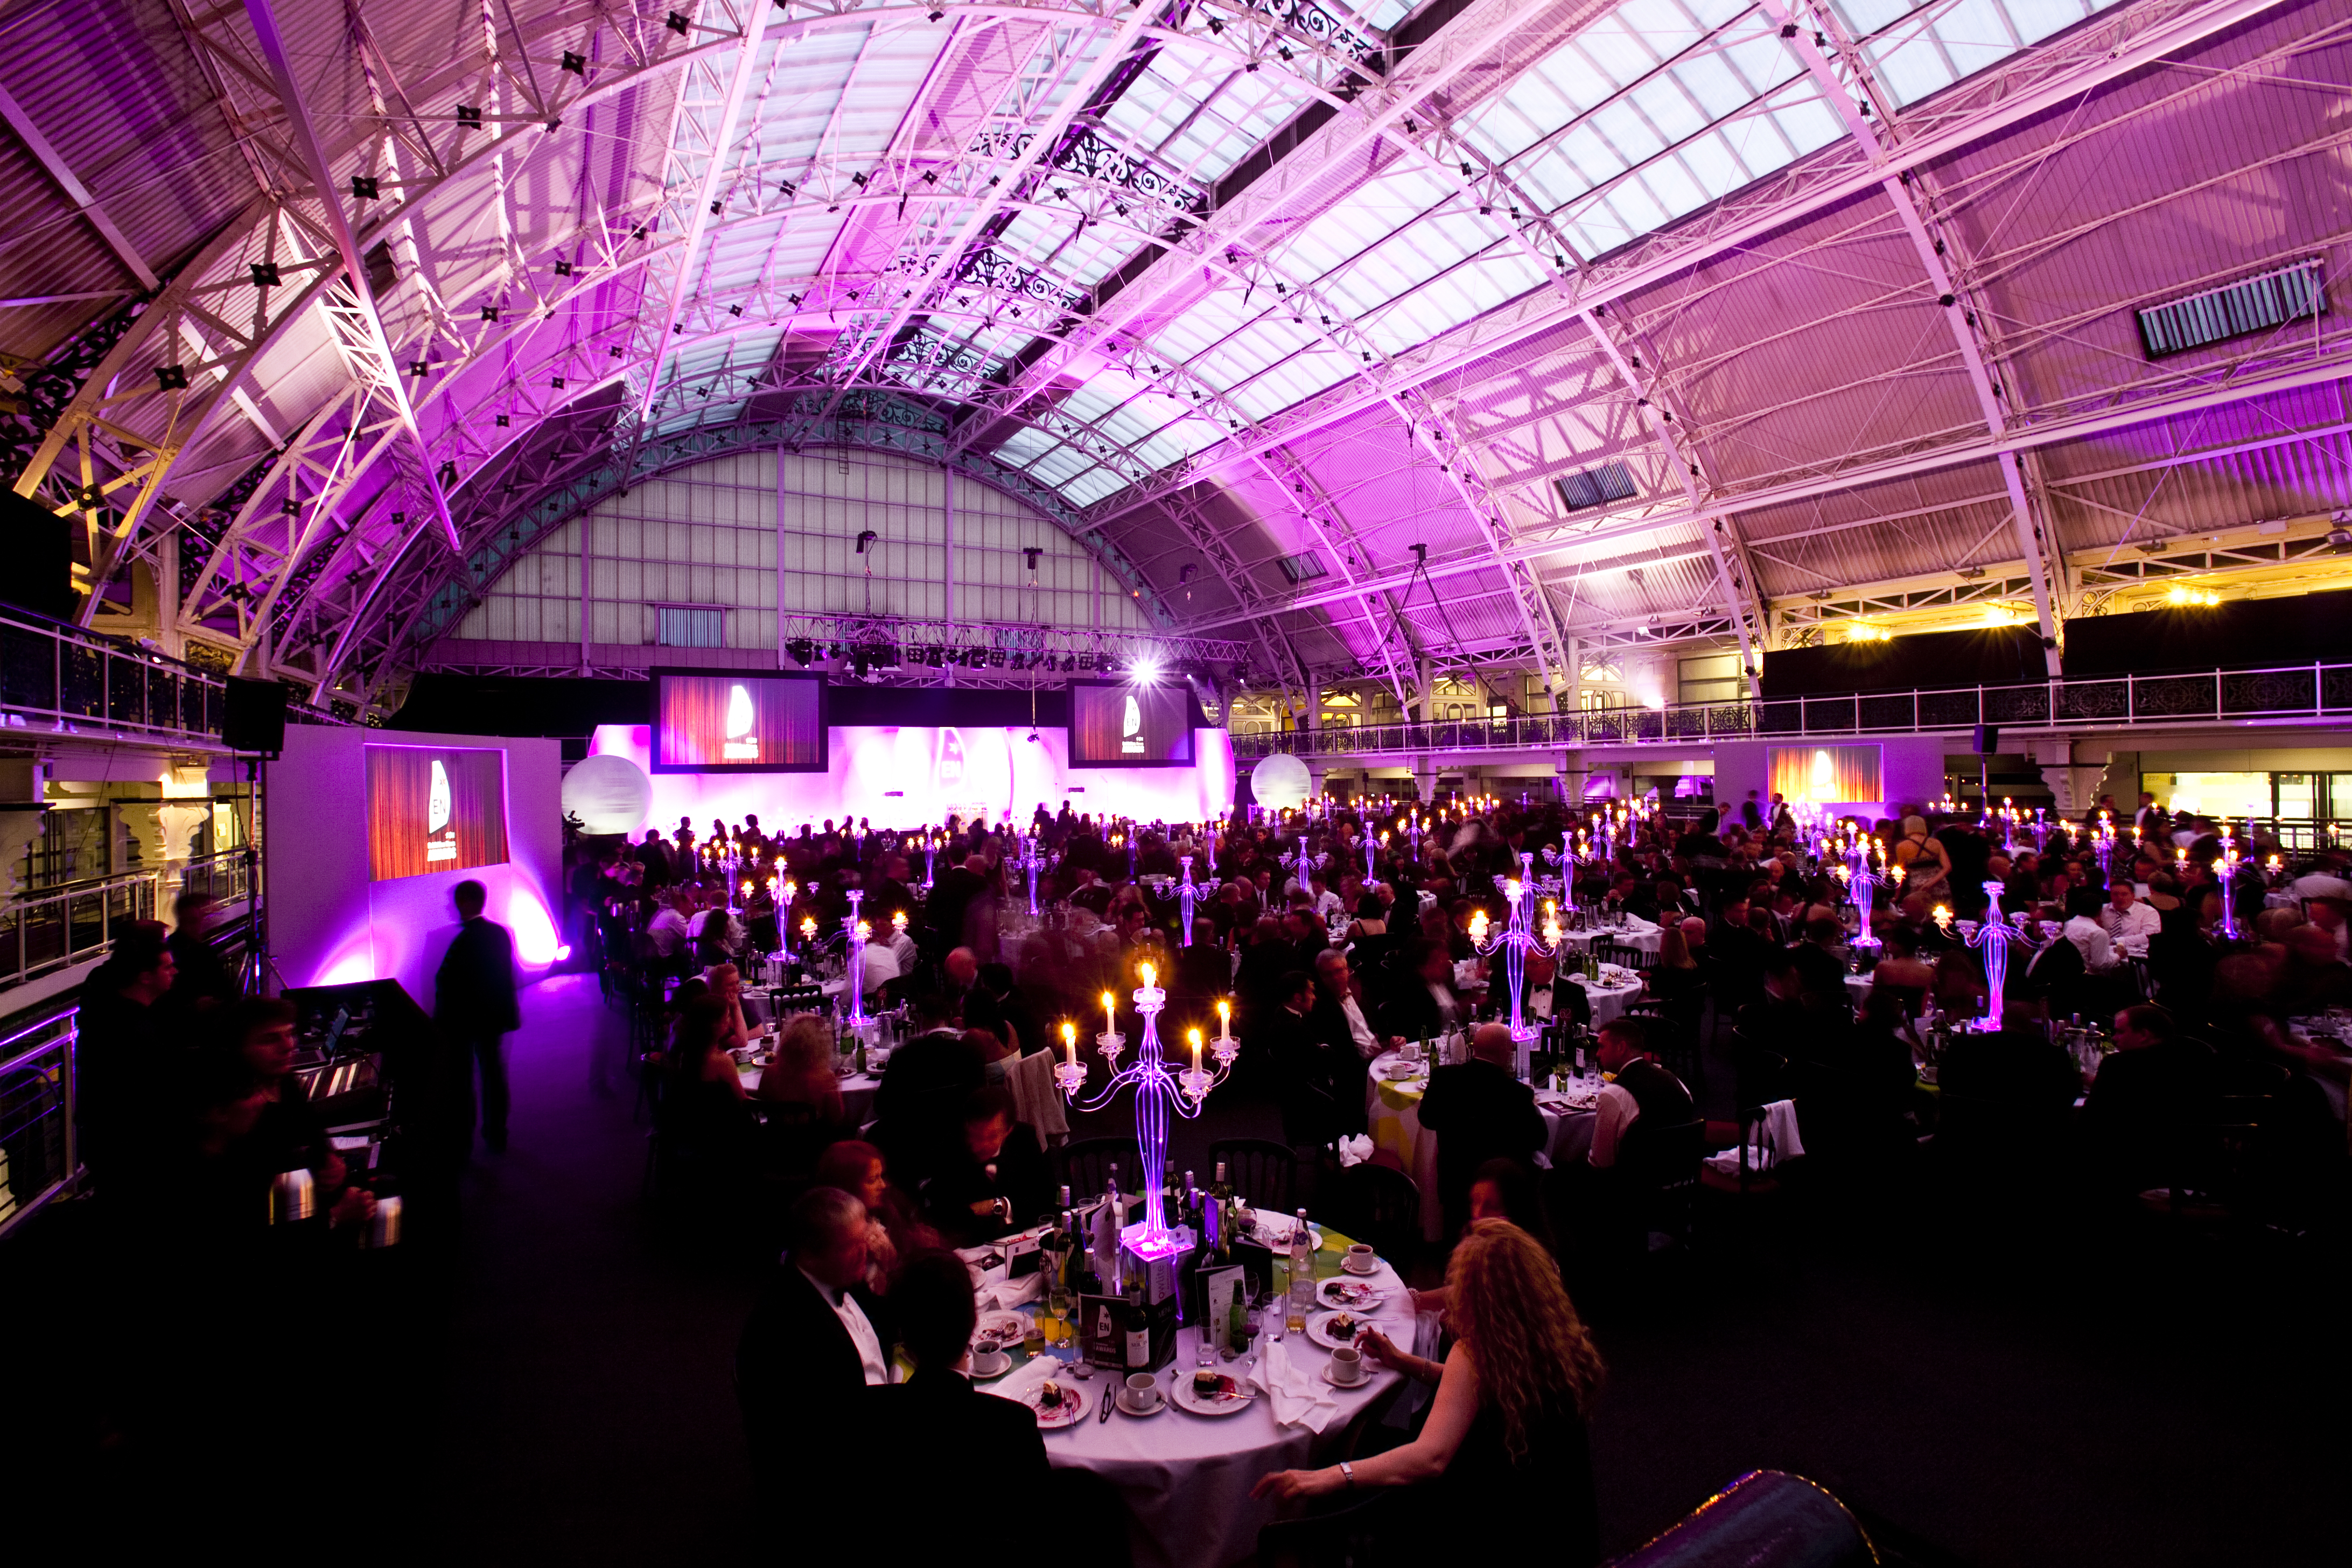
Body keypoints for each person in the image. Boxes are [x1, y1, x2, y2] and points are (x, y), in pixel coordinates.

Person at [1252, 1219, 1602, 1566]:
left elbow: (1429, 1459)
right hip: (1560, 1525)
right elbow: (1477, 1389)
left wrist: (1326, 1477)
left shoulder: (1475, 1353)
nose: (1450, 1310)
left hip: (1488, 1528)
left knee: (1352, 1452)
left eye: (1460, 1292)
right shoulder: (1547, 1342)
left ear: (1488, 1304)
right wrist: (1401, 1361)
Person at [850, 1250, 1049, 1562]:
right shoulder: (1013, 1426)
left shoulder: (868, 1418)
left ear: (903, 1335)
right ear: (974, 1324)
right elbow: (1040, 1532)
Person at [737, 1187, 895, 1510]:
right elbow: (827, 1445)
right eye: (852, 1245)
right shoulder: (784, 1334)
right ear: (809, 1254)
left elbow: (882, 1328)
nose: (866, 1250)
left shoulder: (841, 1276)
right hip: (838, 1488)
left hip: (875, 1420)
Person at [75, 921, 181, 1193]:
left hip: (111, 1143)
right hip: (131, 1149)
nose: (175, 972)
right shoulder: (132, 1031)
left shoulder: (110, 1014)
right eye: (167, 967)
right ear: (146, 976)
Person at [1415, 1022, 1547, 1237]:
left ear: (1474, 1047)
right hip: (1499, 1193)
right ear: (1507, 1052)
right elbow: (1538, 1139)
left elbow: (1427, 1118)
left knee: (1453, 1244)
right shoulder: (1516, 1093)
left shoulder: (1443, 1077)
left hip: (1454, 1181)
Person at [435, 879, 520, 1153]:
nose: (452, 907)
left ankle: (463, 1139)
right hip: (493, 1019)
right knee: (493, 1074)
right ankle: (497, 1134)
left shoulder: (465, 940)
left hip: (463, 1022)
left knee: (463, 1080)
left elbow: (448, 984)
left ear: (465, 902)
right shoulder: (499, 933)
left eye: (455, 902)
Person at [921, 1086, 1054, 1245]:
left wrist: (999, 1205)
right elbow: (947, 1217)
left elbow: (1047, 1198)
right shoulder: (948, 1152)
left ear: (1008, 1131)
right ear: (966, 1126)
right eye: (975, 1135)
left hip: (1025, 1239)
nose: (980, 1146)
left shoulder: (1024, 1138)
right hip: (971, 1248)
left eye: (991, 1137)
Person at [814, 1139, 937, 1289]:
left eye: (881, 1177)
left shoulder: (886, 1211)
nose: (883, 1186)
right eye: (872, 1180)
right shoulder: (842, 1240)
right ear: (847, 1185)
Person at [1587, 1017, 1695, 1172]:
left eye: (1602, 1047)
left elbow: (1601, 1162)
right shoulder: (1676, 1081)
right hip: (1683, 1181)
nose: (1597, 1054)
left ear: (1621, 1048)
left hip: (1637, 1189)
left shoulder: (1613, 1094)